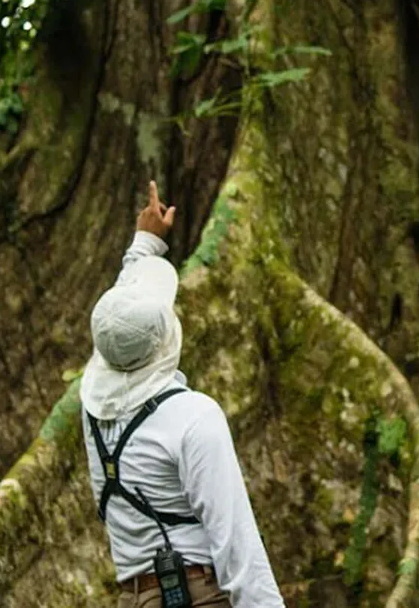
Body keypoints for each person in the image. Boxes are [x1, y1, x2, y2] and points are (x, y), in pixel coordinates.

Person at [80, 182, 285, 607]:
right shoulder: (193, 417)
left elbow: (121, 322)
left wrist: (145, 242)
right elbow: (236, 541)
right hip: (199, 596)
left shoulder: (92, 410)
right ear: (164, 342)